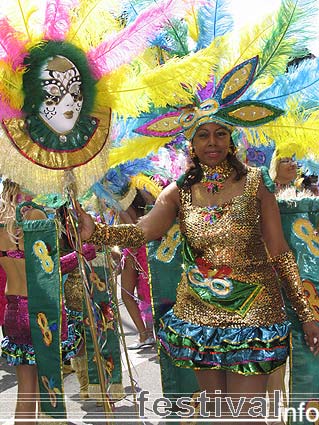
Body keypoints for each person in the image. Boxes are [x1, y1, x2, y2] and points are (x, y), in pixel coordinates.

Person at [77, 57, 319, 423]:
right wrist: (97, 232)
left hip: (252, 315)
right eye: (203, 134)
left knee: (245, 415)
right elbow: (145, 230)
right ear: (191, 141)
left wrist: (306, 313)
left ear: (232, 137)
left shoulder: (255, 184)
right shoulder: (179, 192)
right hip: (201, 314)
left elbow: (280, 251)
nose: (212, 142)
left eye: (220, 133)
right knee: (217, 413)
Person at [0, 179, 48, 424]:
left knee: (25, 388)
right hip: (37, 309)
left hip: (12, 309)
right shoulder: (35, 214)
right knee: (48, 387)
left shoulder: (1, 219)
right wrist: (80, 254)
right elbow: (48, 268)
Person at [119, 189, 155, 349]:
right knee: (146, 292)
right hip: (149, 245)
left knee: (127, 294)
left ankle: (144, 334)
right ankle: (149, 332)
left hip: (135, 250)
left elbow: (129, 231)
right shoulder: (145, 195)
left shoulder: (122, 203)